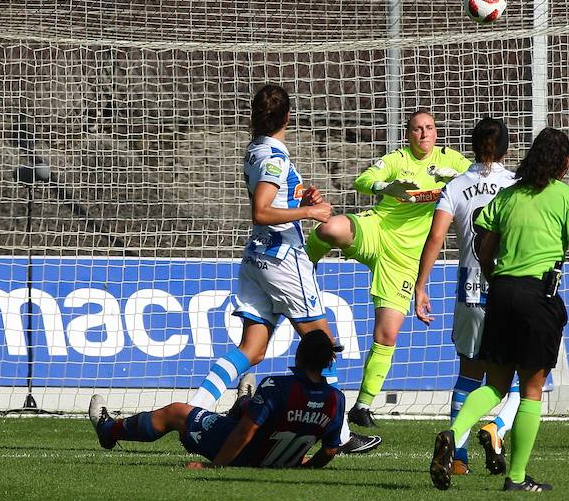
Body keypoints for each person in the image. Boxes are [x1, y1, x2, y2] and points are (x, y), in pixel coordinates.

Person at [429, 127, 569, 491]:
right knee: (532, 391)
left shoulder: (508, 196)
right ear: (565, 163)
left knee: (494, 385)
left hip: (501, 293)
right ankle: (517, 479)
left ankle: (453, 433)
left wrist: (497, 281)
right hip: (538, 298)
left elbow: (485, 250)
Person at [185, 84, 379, 454]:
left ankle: (195, 414)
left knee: (252, 350)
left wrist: (301, 195)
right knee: (322, 343)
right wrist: (310, 211)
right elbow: (261, 210)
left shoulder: (257, 149)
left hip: (258, 258)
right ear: (289, 116)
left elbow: (273, 197)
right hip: (282, 260)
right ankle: (340, 436)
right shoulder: (273, 155)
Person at [306, 110, 472, 427]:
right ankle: (305, 265)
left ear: (437, 133)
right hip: (377, 231)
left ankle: (363, 406)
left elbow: (477, 177)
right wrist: (390, 187)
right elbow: (362, 180)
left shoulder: (452, 161)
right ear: (408, 134)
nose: (423, 134)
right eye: (417, 129)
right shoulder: (398, 158)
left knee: (387, 334)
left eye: (429, 128)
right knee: (330, 229)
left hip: (405, 259)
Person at [414, 117, 521, 476]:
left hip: (470, 290)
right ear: (506, 148)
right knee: (520, 378)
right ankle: (497, 428)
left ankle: (457, 456)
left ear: (472, 147)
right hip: (507, 290)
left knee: (469, 374)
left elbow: (435, 238)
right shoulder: (515, 187)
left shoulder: (456, 186)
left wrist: (421, 286)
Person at [89, 330, 347, 469]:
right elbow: (329, 450)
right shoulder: (337, 398)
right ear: (327, 362)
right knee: (255, 411)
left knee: (176, 412)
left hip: (241, 453)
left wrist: (214, 466)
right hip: (279, 459)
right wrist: (305, 467)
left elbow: (245, 432)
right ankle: (244, 403)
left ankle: (108, 430)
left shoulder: (278, 385)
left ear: (299, 355)